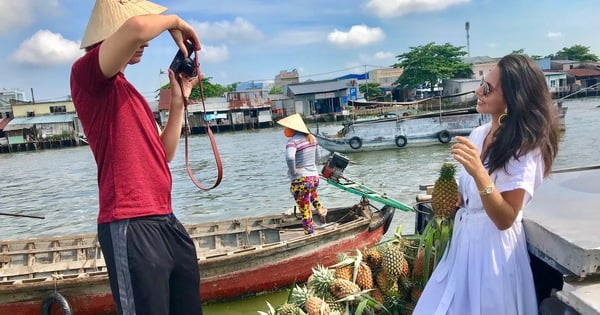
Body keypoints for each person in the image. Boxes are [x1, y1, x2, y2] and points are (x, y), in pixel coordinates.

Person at [70, 1, 203, 314]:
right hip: (129, 222)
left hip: (165, 220)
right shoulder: (87, 75)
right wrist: (174, 22)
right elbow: (137, 28)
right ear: (110, 34)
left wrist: (180, 101)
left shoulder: (129, 92)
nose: (144, 42)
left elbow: (164, 152)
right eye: (136, 34)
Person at [413, 54, 560, 315]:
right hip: (464, 243)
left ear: (514, 97)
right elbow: (472, 192)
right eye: (483, 83)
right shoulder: (478, 134)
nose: (479, 91)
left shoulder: (525, 147)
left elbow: (505, 218)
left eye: (489, 88)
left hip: (493, 252)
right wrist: (459, 195)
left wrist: (479, 173)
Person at [277, 113, 327, 234]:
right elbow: (319, 157)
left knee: (305, 209)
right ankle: (320, 209)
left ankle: (309, 232)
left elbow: (290, 157)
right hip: (313, 178)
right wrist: (310, 166)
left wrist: (293, 171)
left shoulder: (293, 142)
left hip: (301, 180)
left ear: (292, 129)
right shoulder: (312, 139)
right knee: (310, 191)